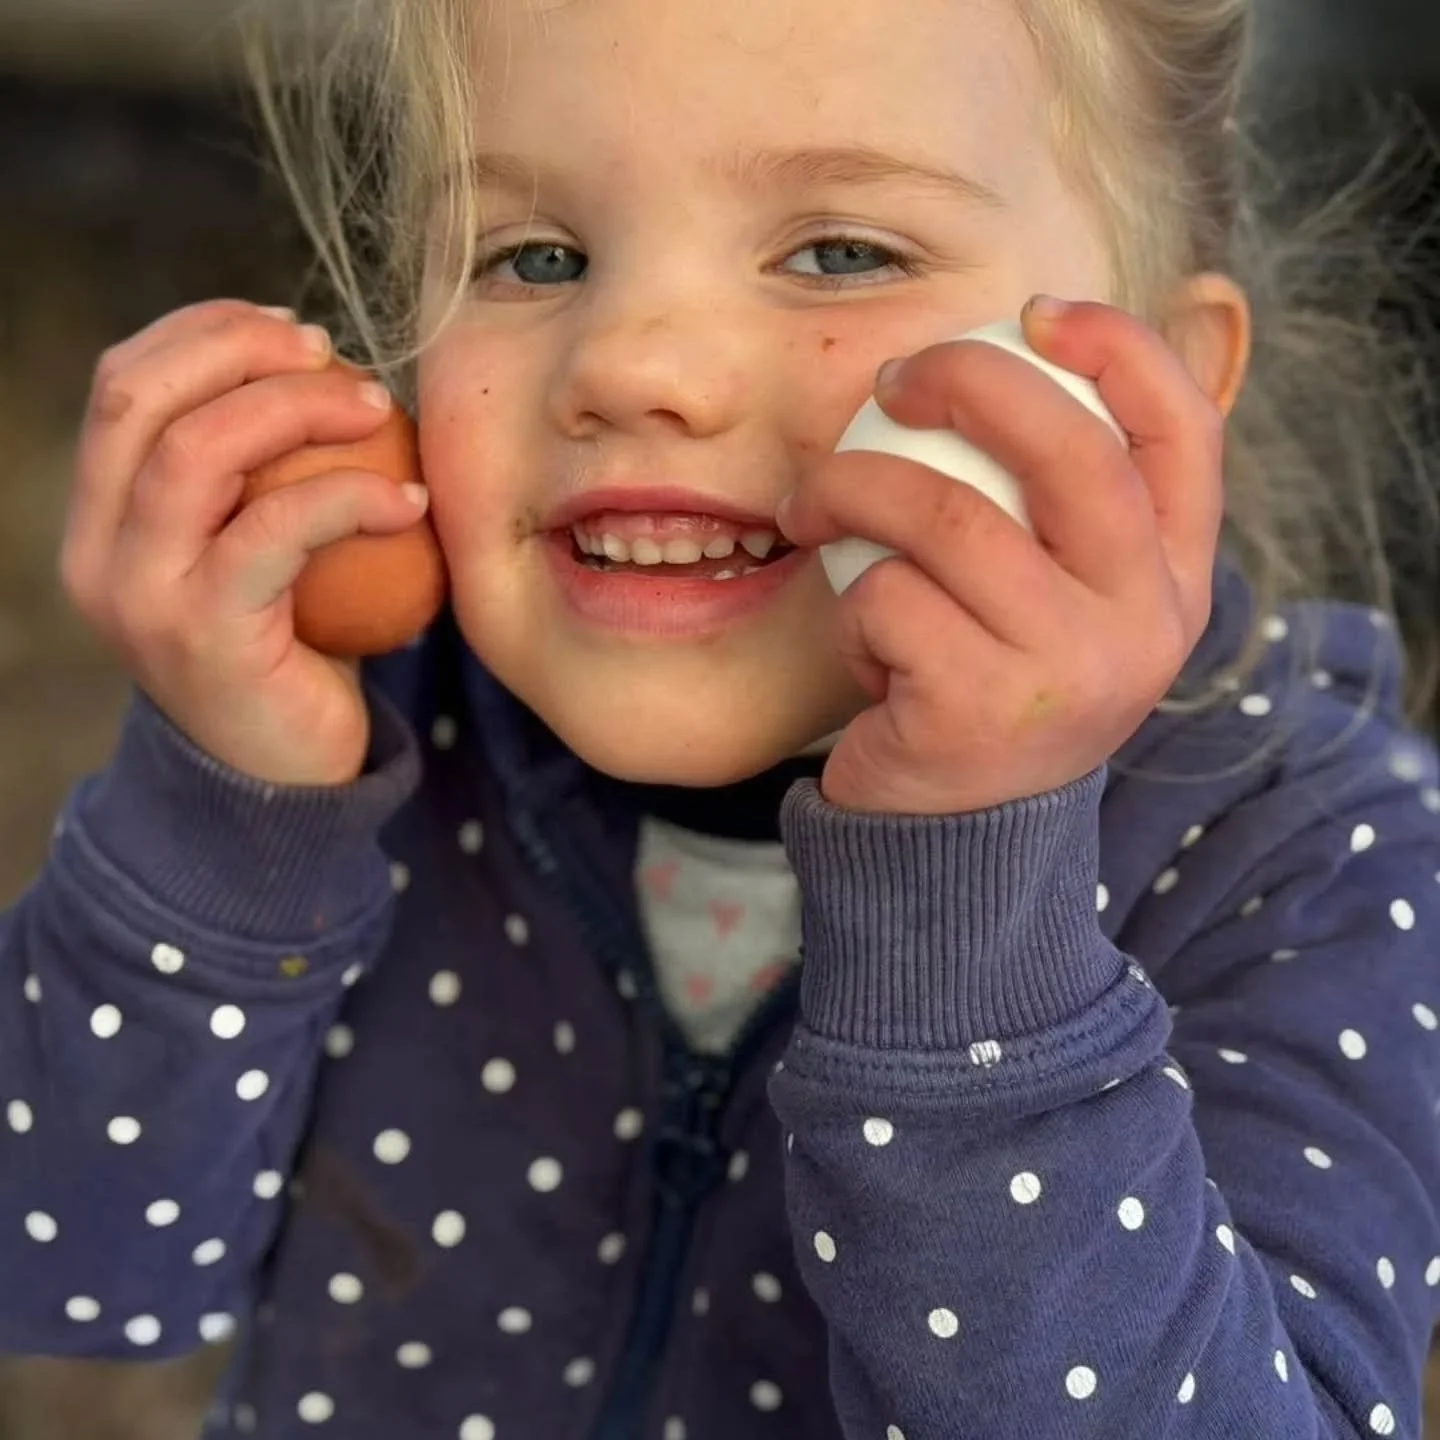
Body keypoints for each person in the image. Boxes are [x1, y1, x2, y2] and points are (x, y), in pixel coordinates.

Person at [3, 0, 1439, 1436]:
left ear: (1160, 379)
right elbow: (62, 1272)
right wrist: (225, 816)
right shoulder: (374, 724)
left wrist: (969, 907)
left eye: (841, 253)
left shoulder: (1312, 860)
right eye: (536, 256)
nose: (634, 363)